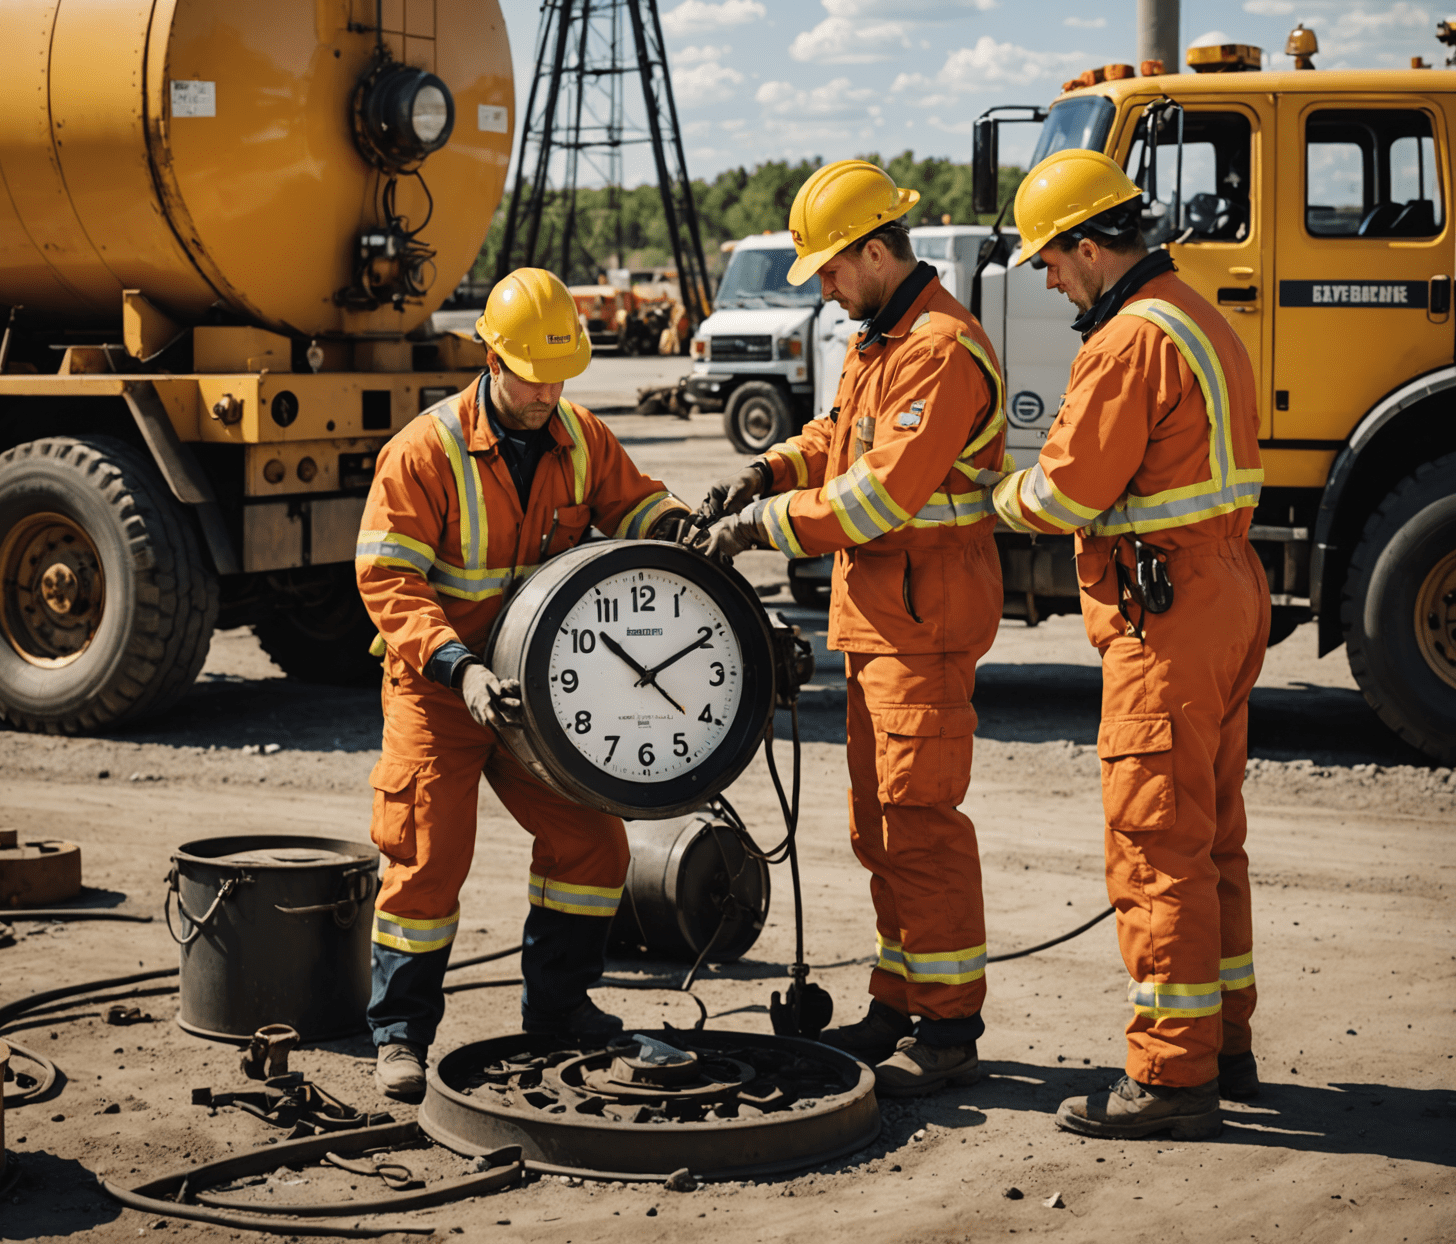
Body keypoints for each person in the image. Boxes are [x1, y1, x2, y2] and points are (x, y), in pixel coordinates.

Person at [695, 159, 1008, 1097]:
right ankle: (899, 997)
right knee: (879, 829)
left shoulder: (941, 350)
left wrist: (758, 526)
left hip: (925, 624)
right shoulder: (884, 338)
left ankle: (948, 1030)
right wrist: (762, 471)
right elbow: (838, 439)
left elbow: (877, 501)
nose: (824, 289)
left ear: (878, 250)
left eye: (831, 269)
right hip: (882, 626)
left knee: (920, 825)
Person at [355, 267, 691, 1100]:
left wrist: (686, 528)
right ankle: (400, 1036)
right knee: (428, 856)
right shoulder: (424, 452)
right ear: (491, 358)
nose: (546, 392)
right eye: (532, 375)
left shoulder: (581, 439)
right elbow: (389, 580)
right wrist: (457, 668)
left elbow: (635, 507)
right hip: (440, 688)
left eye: (559, 376)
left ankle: (559, 1007)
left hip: (537, 696)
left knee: (593, 845)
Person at [990, 148, 1268, 1141]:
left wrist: (997, 495)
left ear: (1091, 245)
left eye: (1051, 262)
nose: (1049, 279)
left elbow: (1067, 490)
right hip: (1225, 595)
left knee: (1154, 844)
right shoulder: (1198, 316)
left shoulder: (1125, 343)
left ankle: (1170, 1075)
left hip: (1167, 615)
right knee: (1210, 836)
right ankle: (1224, 1041)